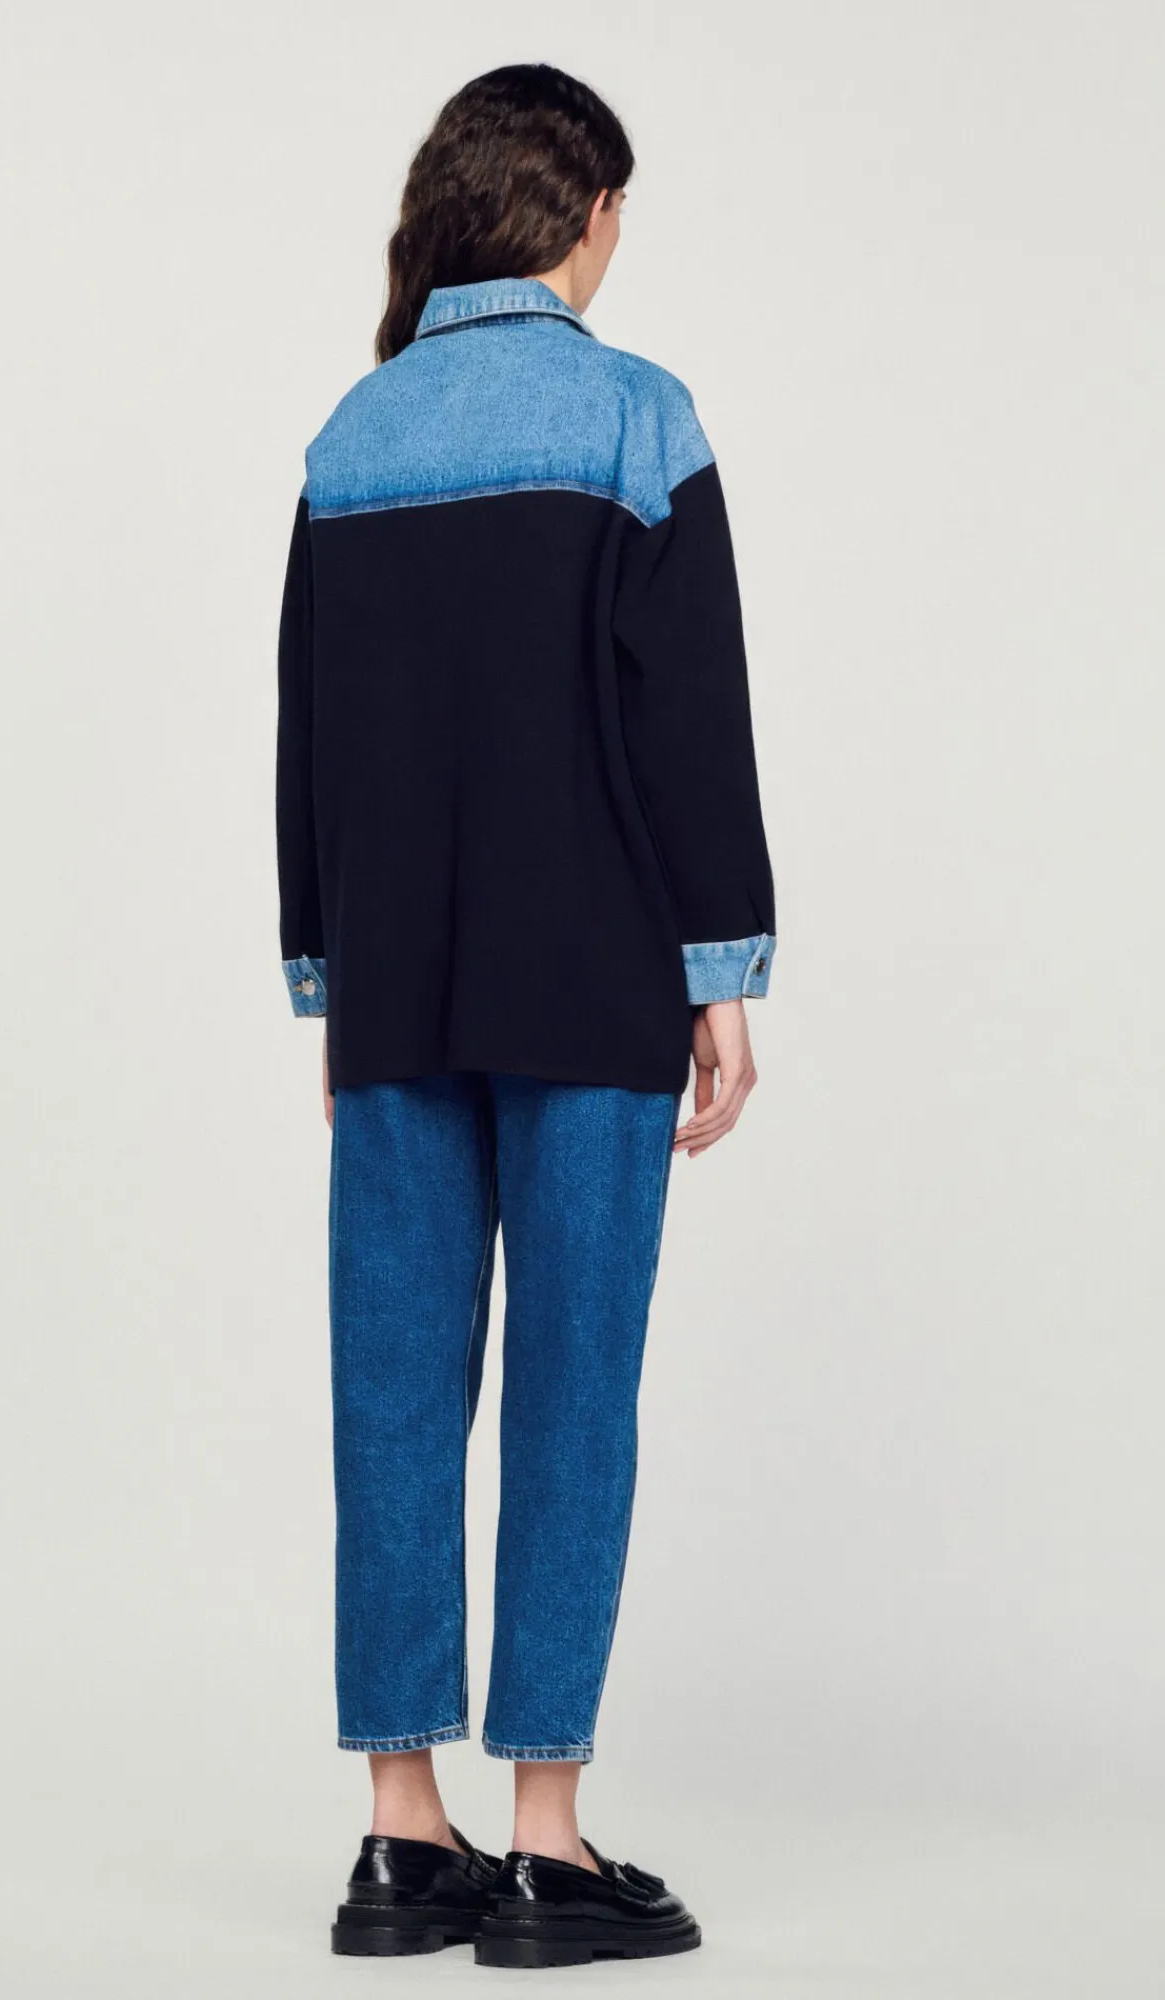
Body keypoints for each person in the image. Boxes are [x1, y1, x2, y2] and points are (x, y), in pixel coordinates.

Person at [276, 63, 776, 1971]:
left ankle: (402, 1837)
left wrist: (329, 983)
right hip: (595, 976)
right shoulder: (636, 415)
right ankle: (549, 1847)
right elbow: (690, 715)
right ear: (585, 212)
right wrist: (720, 966)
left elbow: (308, 742)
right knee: (573, 1389)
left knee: (394, 1390)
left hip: (396, 988)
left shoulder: (351, 435)